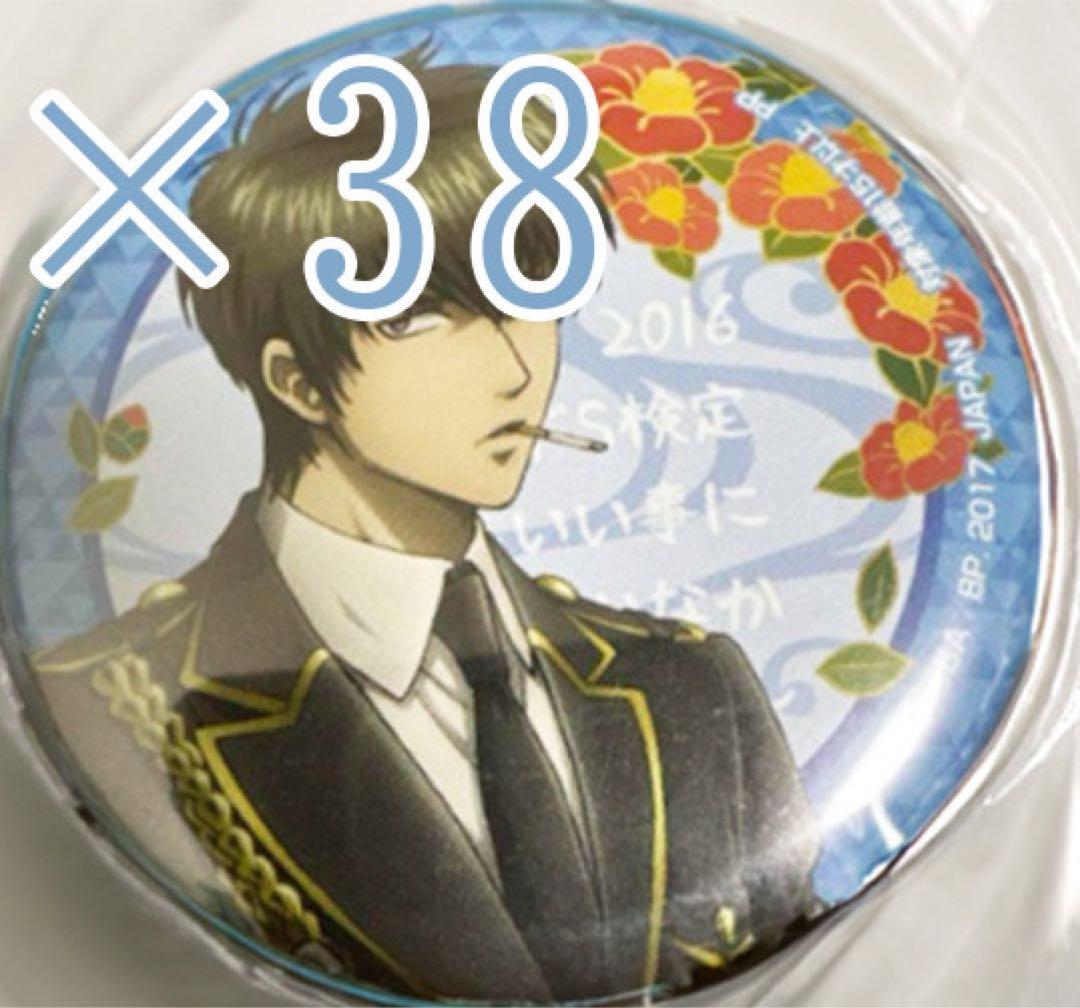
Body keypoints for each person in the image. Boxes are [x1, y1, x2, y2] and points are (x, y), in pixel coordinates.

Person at [32, 48, 819, 1003]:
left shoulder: (695, 690)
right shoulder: (104, 698)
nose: (516, 371)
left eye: (532, 297)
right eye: (420, 318)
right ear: (296, 380)